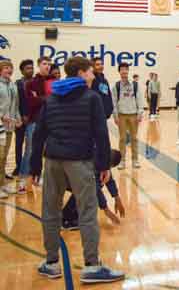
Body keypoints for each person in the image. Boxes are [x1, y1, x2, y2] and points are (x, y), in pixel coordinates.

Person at [30, 56, 124, 283]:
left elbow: (39, 134)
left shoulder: (51, 98)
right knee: (87, 212)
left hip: (52, 161)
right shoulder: (92, 98)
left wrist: (34, 166)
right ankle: (92, 266)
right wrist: (103, 165)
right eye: (91, 72)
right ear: (81, 73)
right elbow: (101, 135)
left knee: (51, 211)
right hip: (79, 162)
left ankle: (51, 263)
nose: (93, 76)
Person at [62, 149, 125, 230]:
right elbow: (94, 187)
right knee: (86, 187)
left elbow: (109, 179)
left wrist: (117, 198)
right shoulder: (93, 161)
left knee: (88, 185)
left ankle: (70, 215)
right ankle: (66, 218)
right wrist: (106, 210)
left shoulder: (102, 156)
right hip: (63, 176)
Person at [21, 56, 53, 193]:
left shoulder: (53, 82)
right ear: (39, 65)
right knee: (30, 152)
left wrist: (39, 98)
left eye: (49, 64)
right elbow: (31, 102)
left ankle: (40, 177)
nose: (47, 66)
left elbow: (53, 101)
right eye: (44, 64)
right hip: (34, 122)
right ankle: (23, 180)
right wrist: (46, 98)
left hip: (50, 123)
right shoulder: (31, 83)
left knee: (48, 153)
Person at [112, 63, 144, 170]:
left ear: (128, 71)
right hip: (121, 115)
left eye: (126, 69)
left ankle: (135, 160)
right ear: (119, 72)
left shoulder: (135, 85)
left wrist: (140, 113)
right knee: (122, 139)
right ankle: (122, 161)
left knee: (134, 138)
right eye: (122, 70)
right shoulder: (116, 86)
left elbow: (139, 99)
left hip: (133, 115)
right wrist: (115, 115)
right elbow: (114, 102)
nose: (124, 71)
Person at [0, 60, 21, 198]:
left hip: (9, 127)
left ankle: (2, 184)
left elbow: (15, 105)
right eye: (6, 67)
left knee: (4, 157)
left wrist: (17, 118)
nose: (9, 70)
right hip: (0, 126)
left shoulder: (13, 85)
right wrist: (2, 116)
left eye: (11, 68)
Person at [12, 59, 33, 179]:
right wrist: (20, 116)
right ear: (22, 70)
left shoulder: (36, 82)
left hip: (32, 118)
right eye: (28, 68)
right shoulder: (18, 83)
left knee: (30, 145)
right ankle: (18, 166)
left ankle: (28, 167)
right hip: (19, 119)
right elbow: (16, 102)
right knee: (19, 143)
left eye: (31, 68)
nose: (30, 70)